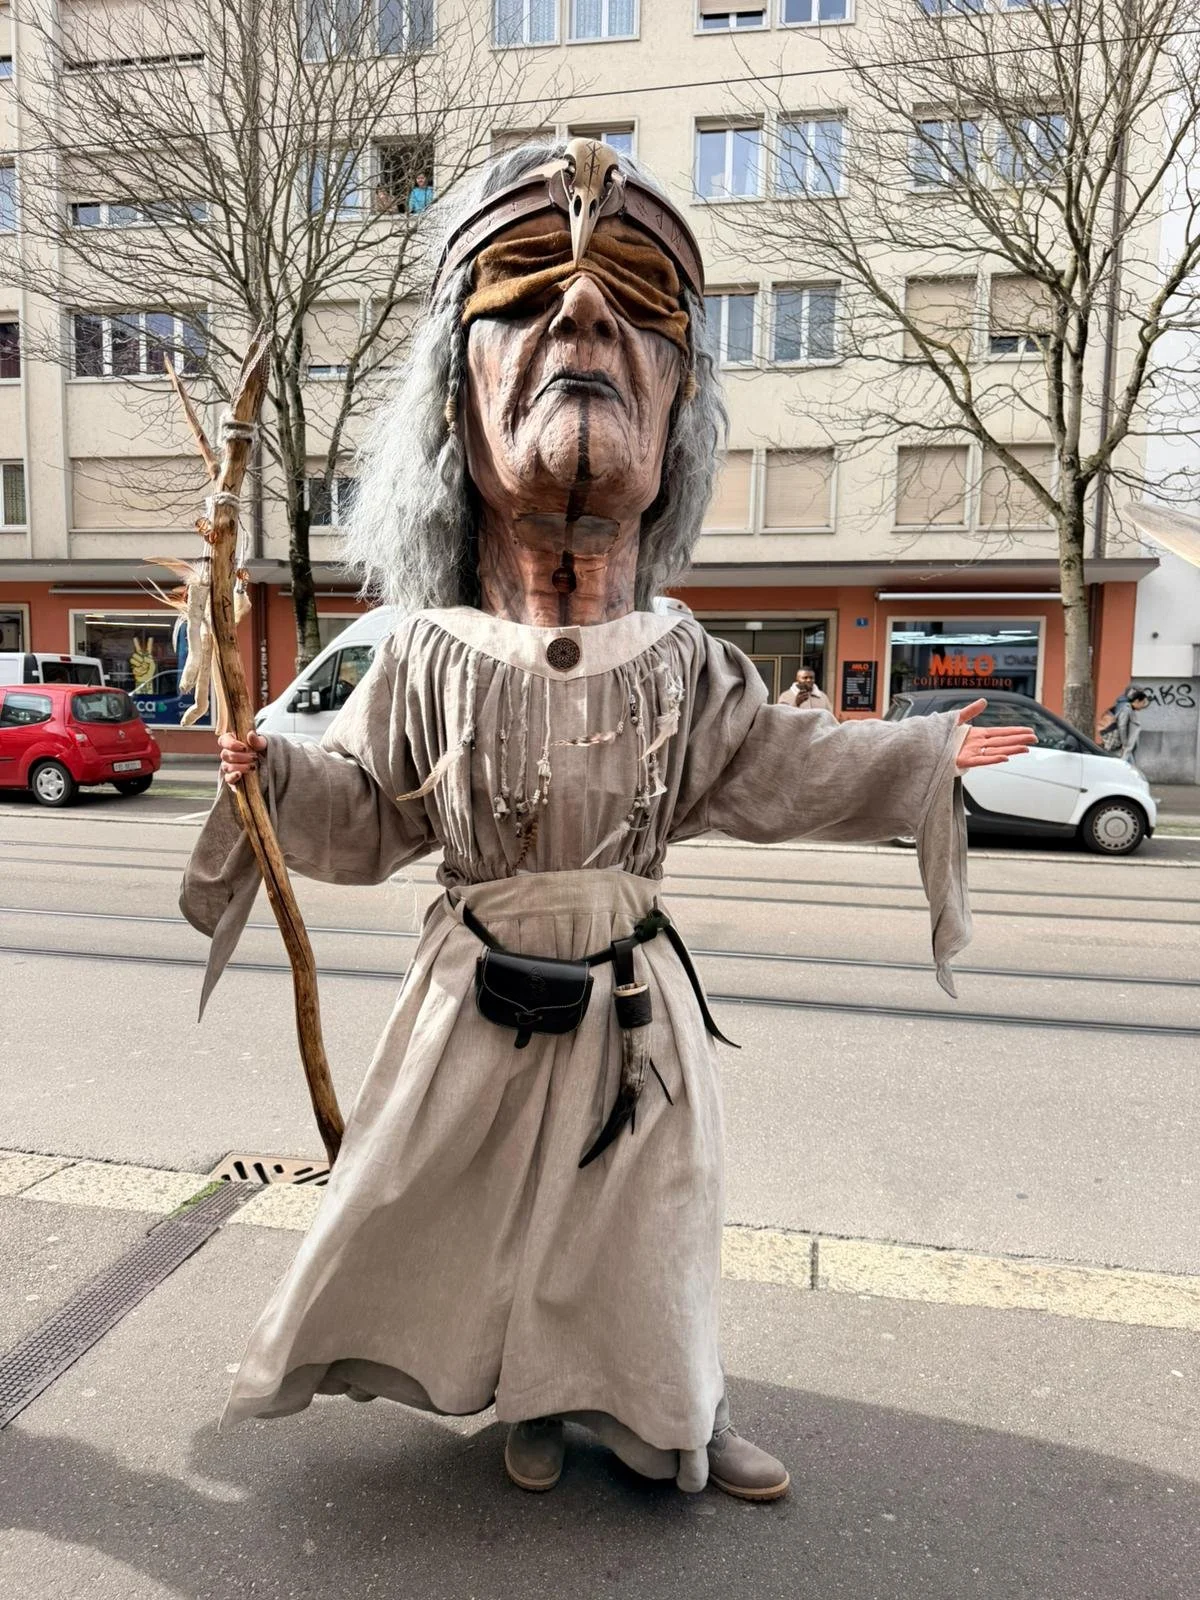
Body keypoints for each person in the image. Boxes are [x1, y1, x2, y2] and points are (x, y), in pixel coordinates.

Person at [182, 139, 1034, 1504]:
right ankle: (531, 1405)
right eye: (522, 285)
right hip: (475, 1000)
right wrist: (265, 772)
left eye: (638, 295)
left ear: (683, 401)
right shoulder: (422, 656)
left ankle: (678, 1415)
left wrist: (922, 755)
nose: (583, 312)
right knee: (495, 1224)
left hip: (633, 1005)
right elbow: (358, 817)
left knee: (649, 1225)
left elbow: (782, 761)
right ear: (454, 409)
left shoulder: (686, 660)